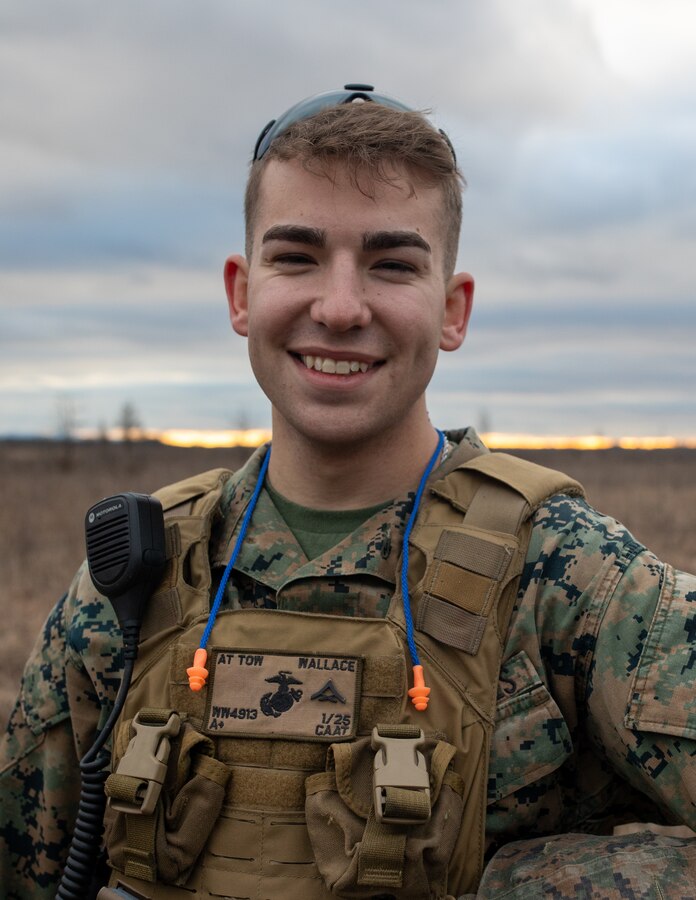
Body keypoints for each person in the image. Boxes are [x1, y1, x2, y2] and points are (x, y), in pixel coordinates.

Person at [1, 83, 695, 900]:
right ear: (241, 292)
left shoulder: (571, 579)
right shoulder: (134, 579)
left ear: (452, 309)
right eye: (295, 257)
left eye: (392, 264)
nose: (338, 308)